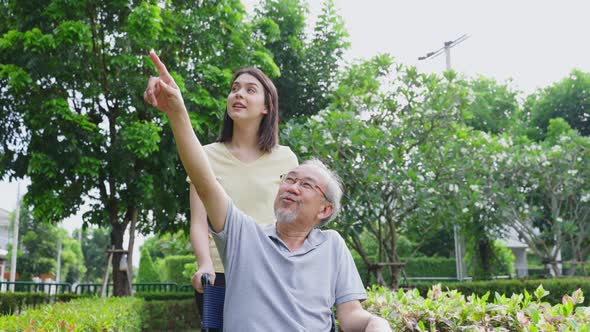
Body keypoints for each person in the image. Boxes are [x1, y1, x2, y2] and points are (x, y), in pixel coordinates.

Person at [144, 51, 391, 331]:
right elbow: (204, 188)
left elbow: (351, 315)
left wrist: (376, 323)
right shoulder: (245, 235)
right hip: (233, 266)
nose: (292, 187)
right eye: (289, 180)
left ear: (324, 209)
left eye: (305, 184)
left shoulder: (331, 245)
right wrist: (177, 112)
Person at [144, 56, 298, 293]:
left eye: (250, 90)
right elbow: (198, 222)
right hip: (220, 276)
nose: (238, 94)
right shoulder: (205, 155)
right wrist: (204, 264)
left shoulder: (286, 159)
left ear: (266, 107)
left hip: (273, 273)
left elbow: (293, 222)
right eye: (234, 89)